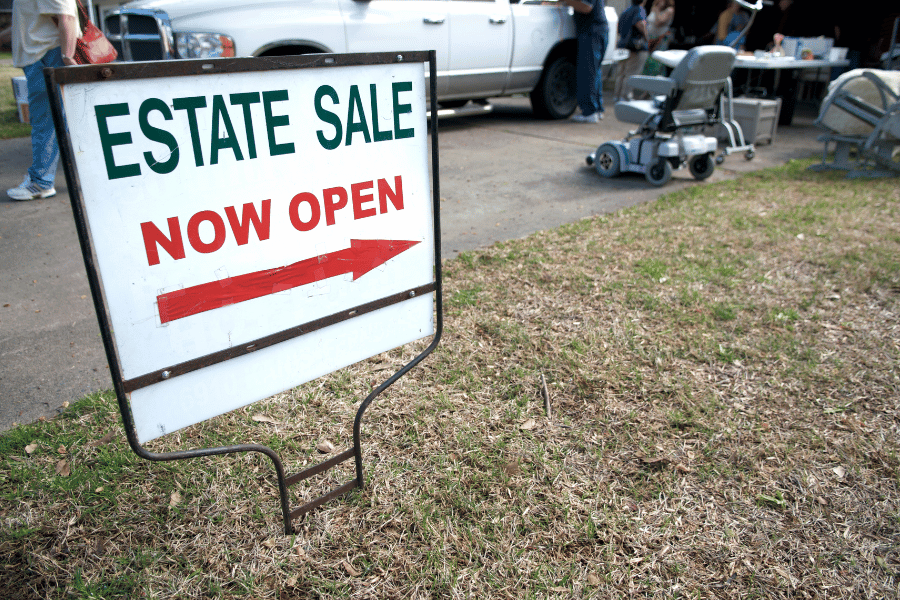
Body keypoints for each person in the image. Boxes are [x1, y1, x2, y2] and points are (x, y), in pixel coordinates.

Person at [3, 0, 80, 201]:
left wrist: (66, 57)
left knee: (46, 121)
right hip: (44, 56)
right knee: (57, 121)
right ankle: (42, 177)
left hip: (48, 57)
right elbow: (31, 22)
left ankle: (41, 182)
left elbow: (66, 16)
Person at [560, 0, 609, 123]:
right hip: (597, 30)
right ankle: (597, 109)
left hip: (591, 31)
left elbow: (587, 7)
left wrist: (567, 1)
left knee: (587, 72)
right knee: (594, 71)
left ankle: (589, 111)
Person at [613, 0, 649, 103]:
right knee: (631, 73)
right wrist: (647, 37)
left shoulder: (626, 10)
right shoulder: (639, 9)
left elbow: (618, 29)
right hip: (635, 47)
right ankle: (625, 96)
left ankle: (617, 96)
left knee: (621, 73)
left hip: (622, 46)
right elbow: (640, 23)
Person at [641, 0, 675, 76]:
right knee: (648, 60)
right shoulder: (654, 8)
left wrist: (657, 11)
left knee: (657, 59)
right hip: (650, 38)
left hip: (660, 39)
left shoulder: (669, 10)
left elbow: (658, 22)